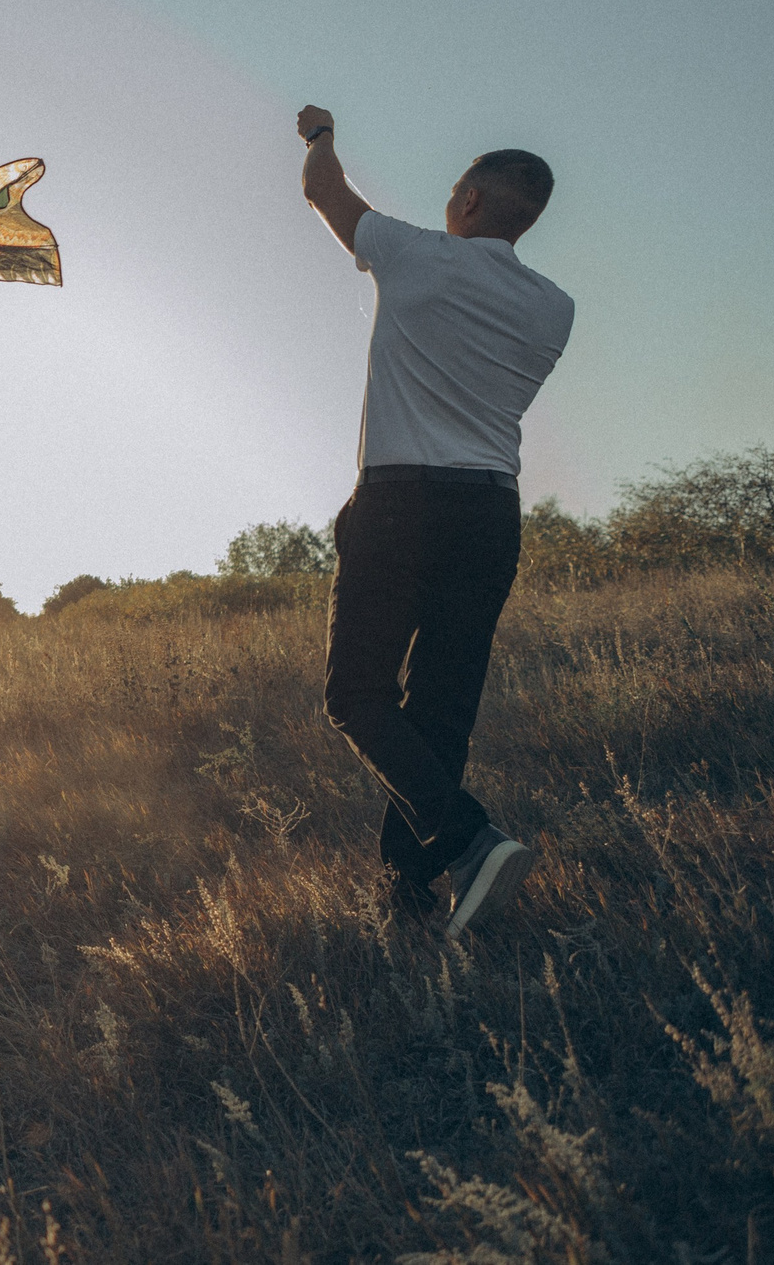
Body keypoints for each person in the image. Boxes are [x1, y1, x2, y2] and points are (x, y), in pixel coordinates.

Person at [297, 105, 574, 938]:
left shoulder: (416, 253)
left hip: (402, 502)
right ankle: (411, 896)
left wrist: (320, 132)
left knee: (355, 695)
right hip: (491, 511)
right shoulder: (554, 309)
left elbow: (323, 188)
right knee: (441, 708)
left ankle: (467, 839)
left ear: (474, 202)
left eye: (456, 189)